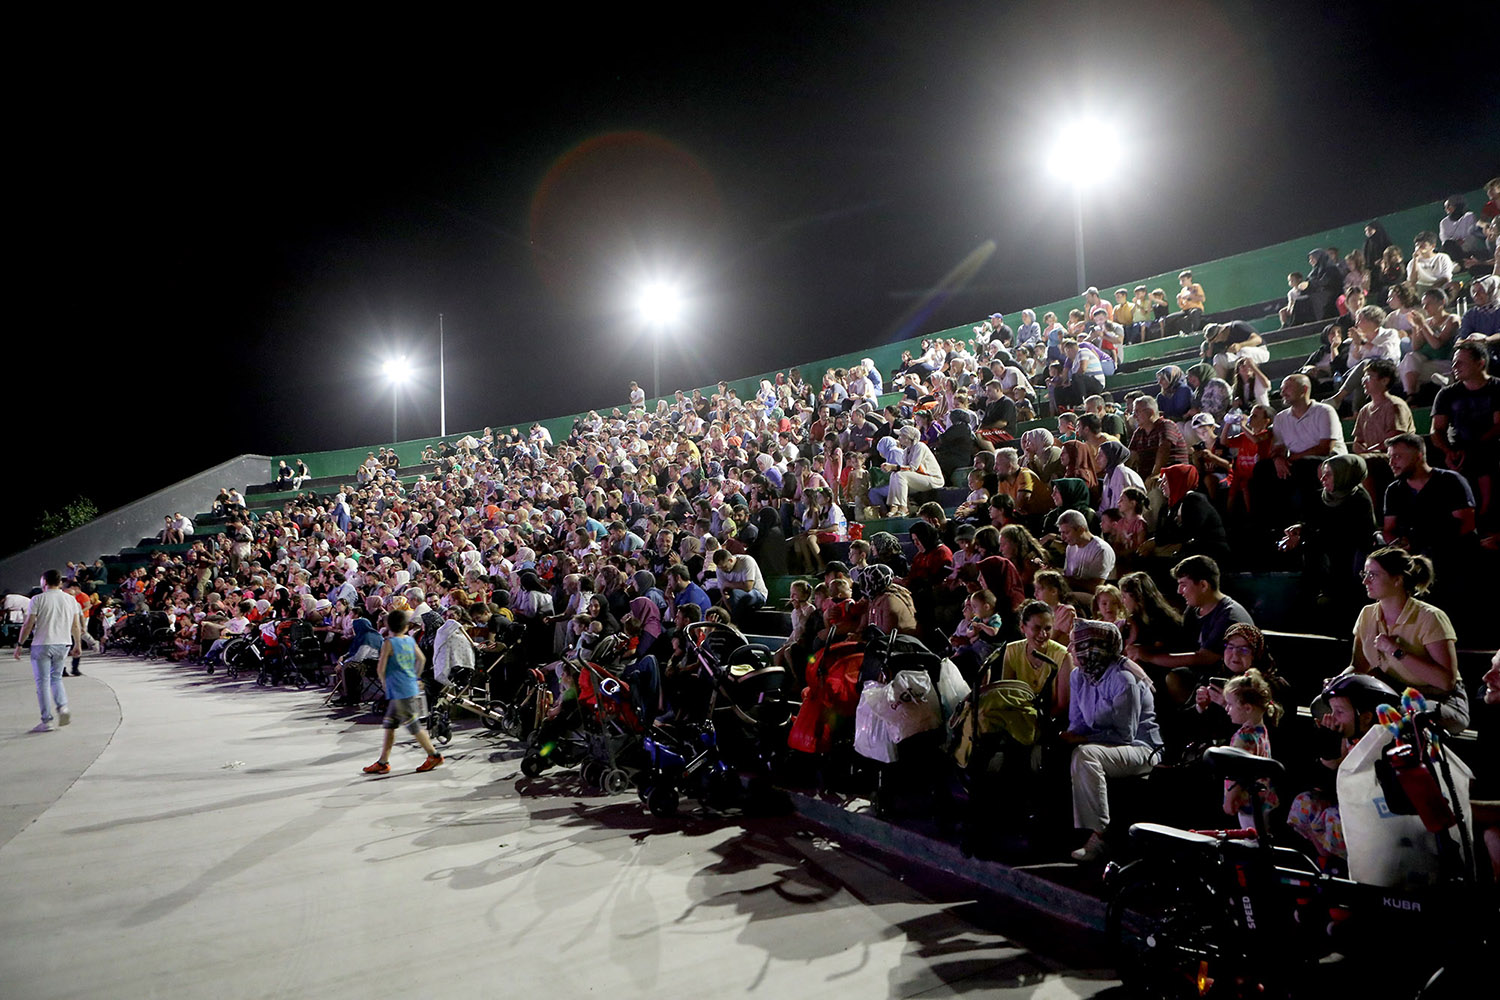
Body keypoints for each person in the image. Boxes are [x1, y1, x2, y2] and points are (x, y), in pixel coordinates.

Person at [1063, 618, 1162, 862]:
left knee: (1085, 755)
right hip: (1104, 743)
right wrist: (1069, 737)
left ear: (1092, 647)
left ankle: (1102, 836)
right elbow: (1077, 721)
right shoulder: (1078, 676)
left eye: (1076, 644)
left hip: (1140, 749)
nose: (1069, 650)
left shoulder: (1124, 678)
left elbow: (1125, 735)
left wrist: (1083, 738)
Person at [1343, 547, 1466, 734]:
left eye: (1373, 575)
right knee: (1329, 705)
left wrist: (1397, 651)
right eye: (1365, 573)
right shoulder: (1367, 613)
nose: (1365, 580)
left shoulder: (1430, 617)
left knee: (1403, 716)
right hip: (1395, 694)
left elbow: (1445, 682)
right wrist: (1339, 682)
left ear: (1397, 580)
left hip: (1439, 699)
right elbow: (1358, 666)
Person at [1129, 556, 1253, 704]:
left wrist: (1149, 656)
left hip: (1224, 681)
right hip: (1198, 673)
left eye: (1183, 585)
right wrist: (1143, 650)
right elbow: (1178, 644)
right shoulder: (1194, 609)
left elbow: (1203, 658)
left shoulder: (1228, 616)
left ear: (1203, 585)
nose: (1179, 591)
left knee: (1174, 678)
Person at [361, 607, 443, 774]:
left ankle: (433, 755)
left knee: (413, 726)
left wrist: (384, 683)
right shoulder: (409, 640)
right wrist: (415, 676)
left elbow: (381, 668)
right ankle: (383, 761)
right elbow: (421, 659)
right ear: (406, 626)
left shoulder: (389, 643)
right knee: (390, 725)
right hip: (408, 686)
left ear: (388, 626)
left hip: (399, 690)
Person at [1430, 341, 1498, 520]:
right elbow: (1437, 430)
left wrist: (1471, 449)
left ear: (1480, 363)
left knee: (1484, 456)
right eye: (1453, 362)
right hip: (1455, 447)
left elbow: (1498, 426)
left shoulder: (1496, 388)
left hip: (1489, 444)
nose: (1455, 366)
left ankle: (1485, 513)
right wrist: (1447, 452)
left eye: (1460, 362)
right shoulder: (1447, 394)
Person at [14, 569, 82, 732]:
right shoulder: (70, 600)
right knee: (56, 678)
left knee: (42, 683)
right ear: (60, 582)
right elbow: (75, 625)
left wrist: (19, 644)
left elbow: (28, 624)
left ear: (43, 582)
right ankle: (63, 707)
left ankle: (47, 720)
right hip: (63, 644)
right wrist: (77, 644)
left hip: (42, 643)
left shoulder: (37, 599)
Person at [1058, 509, 1114, 595]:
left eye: (1066, 532)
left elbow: (1096, 587)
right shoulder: (1070, 547)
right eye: (1061, 533)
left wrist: (1066, 579)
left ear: (1081, 530)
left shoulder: (1101, 550)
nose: (1063, 538)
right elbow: (1068, 575)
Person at [712, 548, 768, 623]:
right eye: (720, 568)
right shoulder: (720, 569)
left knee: (735, 594)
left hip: (757, 594)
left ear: (730, 560)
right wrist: (731, 610)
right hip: (735, 598)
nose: (722, 570)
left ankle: (737, 625)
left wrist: (728, 584)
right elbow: (723, 592)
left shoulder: (746, 561)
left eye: (724, 567)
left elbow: (748, 587)